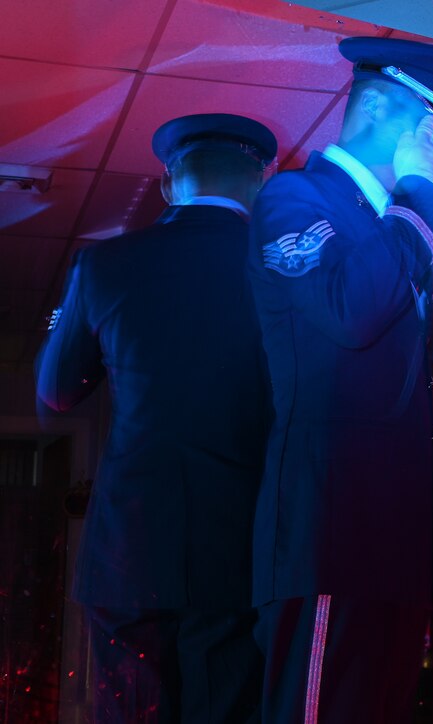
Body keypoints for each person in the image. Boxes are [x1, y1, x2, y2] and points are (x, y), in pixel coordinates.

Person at [246, 36, 433, 723]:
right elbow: (350, 312)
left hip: (390, 544)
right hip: (331, 532)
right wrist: (418, 195)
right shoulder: (297, 197)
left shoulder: (391, 226)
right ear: (380, 104)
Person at [36, 113, 277, 723]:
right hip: (239, 555)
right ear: (262, 182)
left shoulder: (106, 265)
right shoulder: (282, 273)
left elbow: (59, 393)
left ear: (170, 184)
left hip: (130, 553)